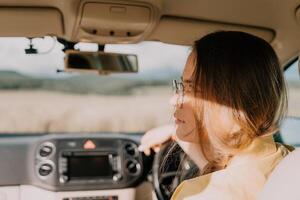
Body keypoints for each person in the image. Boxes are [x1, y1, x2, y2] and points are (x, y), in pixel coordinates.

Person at [138, 31, 291, 200]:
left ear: (239, 108)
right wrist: (174, 132)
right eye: (182, 85)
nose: (173, 100)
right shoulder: (287, 160)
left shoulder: (201, 194)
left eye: (193, 89)